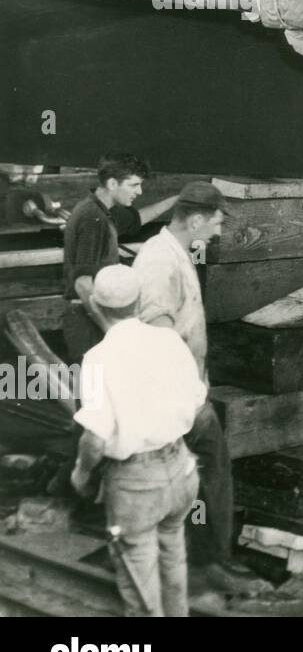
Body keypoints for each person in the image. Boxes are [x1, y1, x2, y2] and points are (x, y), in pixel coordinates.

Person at [132, 181, 255, 596]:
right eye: (216, 224)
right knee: (208, 472)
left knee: (201, 476)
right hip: (172, 397)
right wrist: (184, 394)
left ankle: (200, 559)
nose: (217, 233)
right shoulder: (158, 262)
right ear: (197, 219)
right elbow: (157, 333)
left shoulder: (173, 254)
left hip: (185, 393)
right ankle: (207, 562)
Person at [71, 266, 207, 616]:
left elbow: (95, 439)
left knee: (141, 588)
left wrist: (82, 474)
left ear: (96, 308)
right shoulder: (170, 341)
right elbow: (197, 399)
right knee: (173, 559)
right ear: (139, 301)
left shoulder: (98, 359)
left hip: (136, 486)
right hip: (182, 470)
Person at [61, 153, 177, 364]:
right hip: (87, 320)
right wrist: (112, 328)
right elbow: (82, 283)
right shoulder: (93, 219)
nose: (139, 192)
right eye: (134, 185)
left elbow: (138, 219)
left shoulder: (103, 210)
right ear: (113, 183)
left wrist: (176, 200)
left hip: (93, 314)